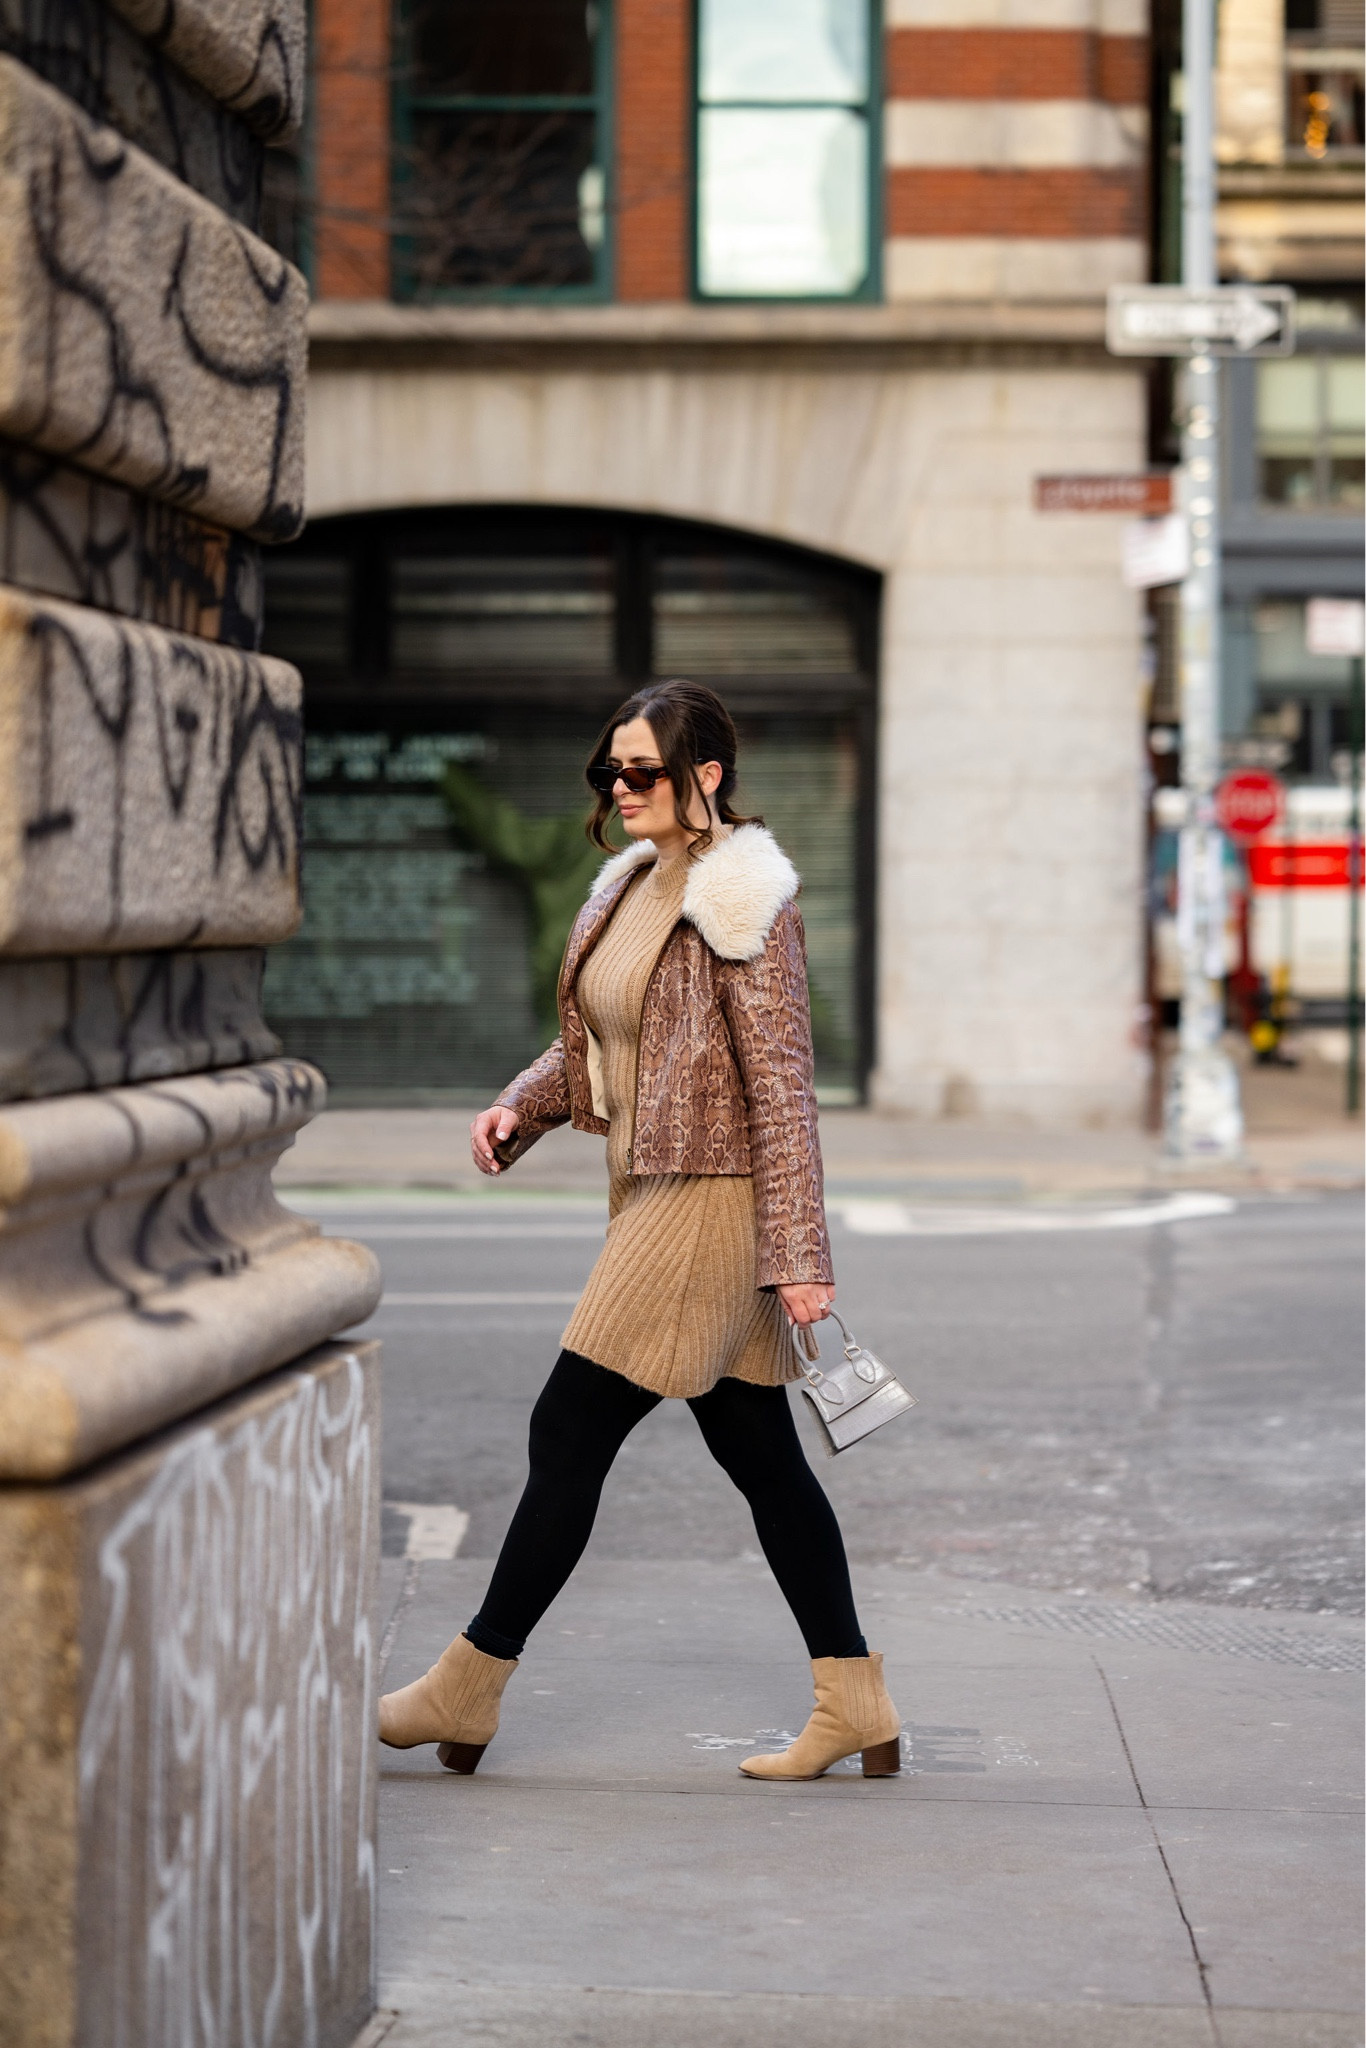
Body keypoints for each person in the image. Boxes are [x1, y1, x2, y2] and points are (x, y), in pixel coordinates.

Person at [378, 680, 900, 1782]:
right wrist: (522, 1103)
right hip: (649, 1185)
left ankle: (466, 1687)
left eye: (644, 772)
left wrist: (801, 1254)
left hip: (707, 1199)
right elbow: (601, 1043)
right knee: (760, 1455)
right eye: (609, 773)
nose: (620, 790)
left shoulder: (742, 894)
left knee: (568, 1430)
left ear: (705, 774)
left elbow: (783, 1085)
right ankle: (854, 1696)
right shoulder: (628, 884)